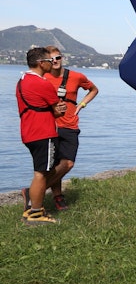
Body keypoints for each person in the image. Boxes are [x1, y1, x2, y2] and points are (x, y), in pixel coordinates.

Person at [43, 46, 99, 211]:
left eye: (58, 58)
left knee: (67, 163)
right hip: (49, 126)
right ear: (46, 61)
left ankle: (34, 193)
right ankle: (58, 197)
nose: (55, 61)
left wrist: (81, 104)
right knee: (53, 165)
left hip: (70, 125)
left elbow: (94, 90)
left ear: (62, 58)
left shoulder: (76, 76)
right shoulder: (43, 78)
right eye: (51, 59)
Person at [16, 48, 67, 225]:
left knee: (44, 170)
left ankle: (35, 208)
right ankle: (35, 214)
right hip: (43, 133)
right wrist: (60, 109)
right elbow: (58, 110)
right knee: (41, 174)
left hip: (28, 132)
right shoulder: (42, 84)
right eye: (49, 60)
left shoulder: (22, 80)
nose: (52, 63)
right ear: (40, 63)